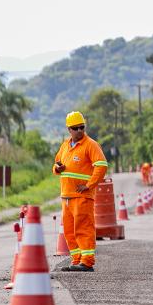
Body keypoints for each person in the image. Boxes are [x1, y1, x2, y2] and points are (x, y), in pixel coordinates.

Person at [53, 111, 108, 272]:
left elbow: (102, 165)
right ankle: (76, 260)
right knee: (69, 231)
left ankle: (87, 261)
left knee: (83, 228)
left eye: (82, 127)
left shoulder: (91, 145)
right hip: (67, 196)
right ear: (69, 129)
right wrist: (58, 168)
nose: (79, 131)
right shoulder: (65, 146)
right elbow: (56, 165)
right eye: (75, 128)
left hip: (82, 196)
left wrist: (89, 185)